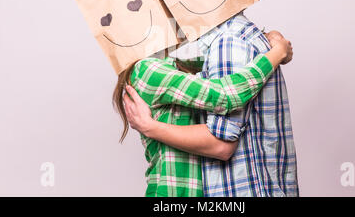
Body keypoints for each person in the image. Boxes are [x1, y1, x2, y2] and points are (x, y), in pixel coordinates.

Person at [125, 13, 299, 197]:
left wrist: (266, 37)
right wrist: (277, 53)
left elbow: (213, 63)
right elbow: (225, 93)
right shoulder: (147, 69)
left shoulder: (168, 65)